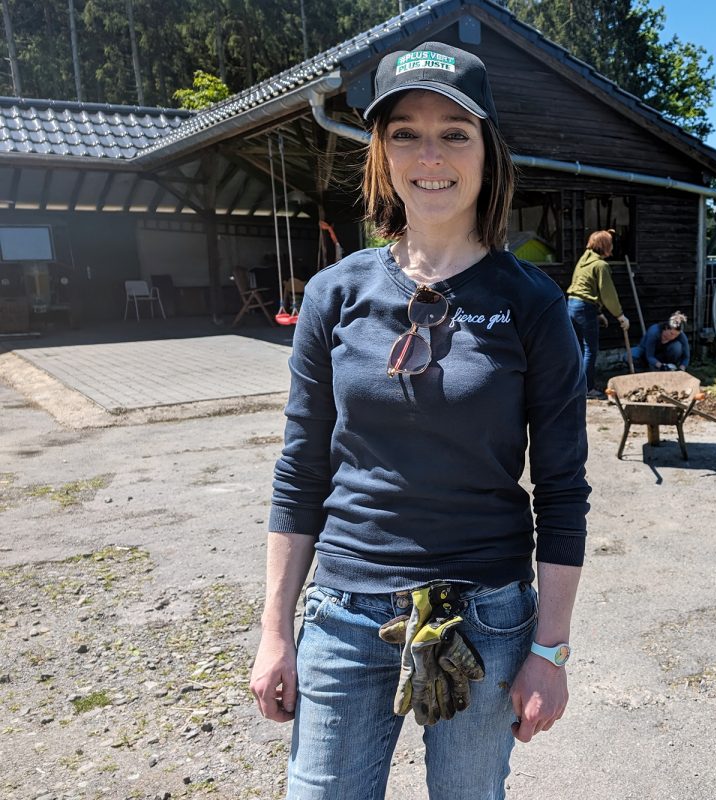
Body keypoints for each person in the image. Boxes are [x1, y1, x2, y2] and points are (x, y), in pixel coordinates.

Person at [249, 42, 590, 800]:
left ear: (486, 152)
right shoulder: (334, 295)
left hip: (487, 616)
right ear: (381, 151)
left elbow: (563, 489)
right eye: (405, 131)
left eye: (454, 132)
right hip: (344, 614)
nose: (428, 154)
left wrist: (551, 651)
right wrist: (276, 632)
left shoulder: (535, 305)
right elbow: (301, 470)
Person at [566, 230, 629, 398]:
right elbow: (608, 294)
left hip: (572, 305)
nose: (613, 247)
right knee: (589, 350)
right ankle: (587, 389)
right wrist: (620, 315)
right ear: (605, 246)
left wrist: (598, 313)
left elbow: (585, 288)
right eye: (611, 243)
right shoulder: (601, 265)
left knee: (578, 349)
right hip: (585, 307)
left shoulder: (584, 261)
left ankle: (574, 386)